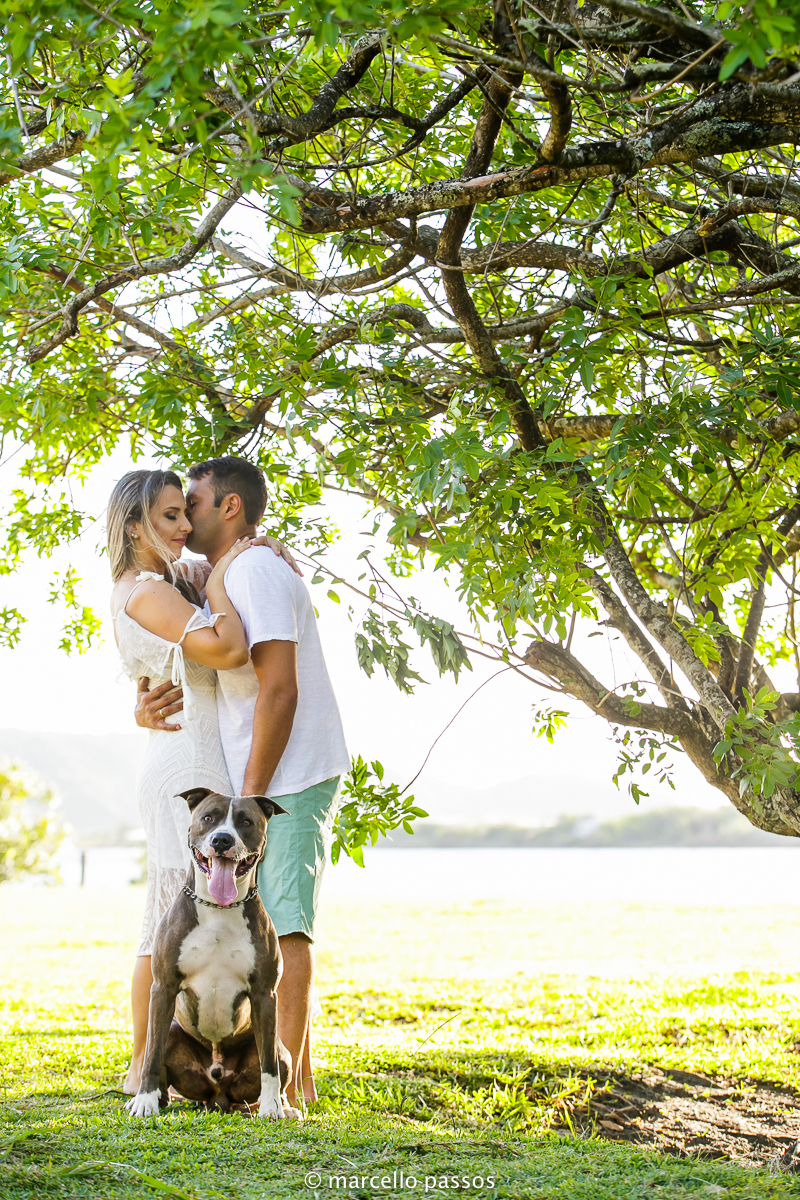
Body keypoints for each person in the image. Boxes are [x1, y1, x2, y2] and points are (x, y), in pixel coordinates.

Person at [135, 456, 350, 1109]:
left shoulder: (255, 570)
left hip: (288, 774)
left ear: (230, 507)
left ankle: (291, 1084)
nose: (184, 518)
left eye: (193, 504)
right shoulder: (222, 573)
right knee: (258, 920)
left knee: (285, 924)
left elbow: (280, 689)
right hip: (256, 778)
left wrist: (247, 805)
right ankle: (275, 1075)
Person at [107, 468, 293, 1096]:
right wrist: (219, 577)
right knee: (167, 920)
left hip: (194, 753)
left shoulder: (169, 578)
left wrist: (259, 547)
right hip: (185, 761)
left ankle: (153, 1062)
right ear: (135, 526)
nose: (185, 525)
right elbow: (229, 648)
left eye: (187, 511)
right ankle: (145, 1067)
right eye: (169, 516)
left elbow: (232, 559)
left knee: (177, 911)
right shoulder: (146, 590)